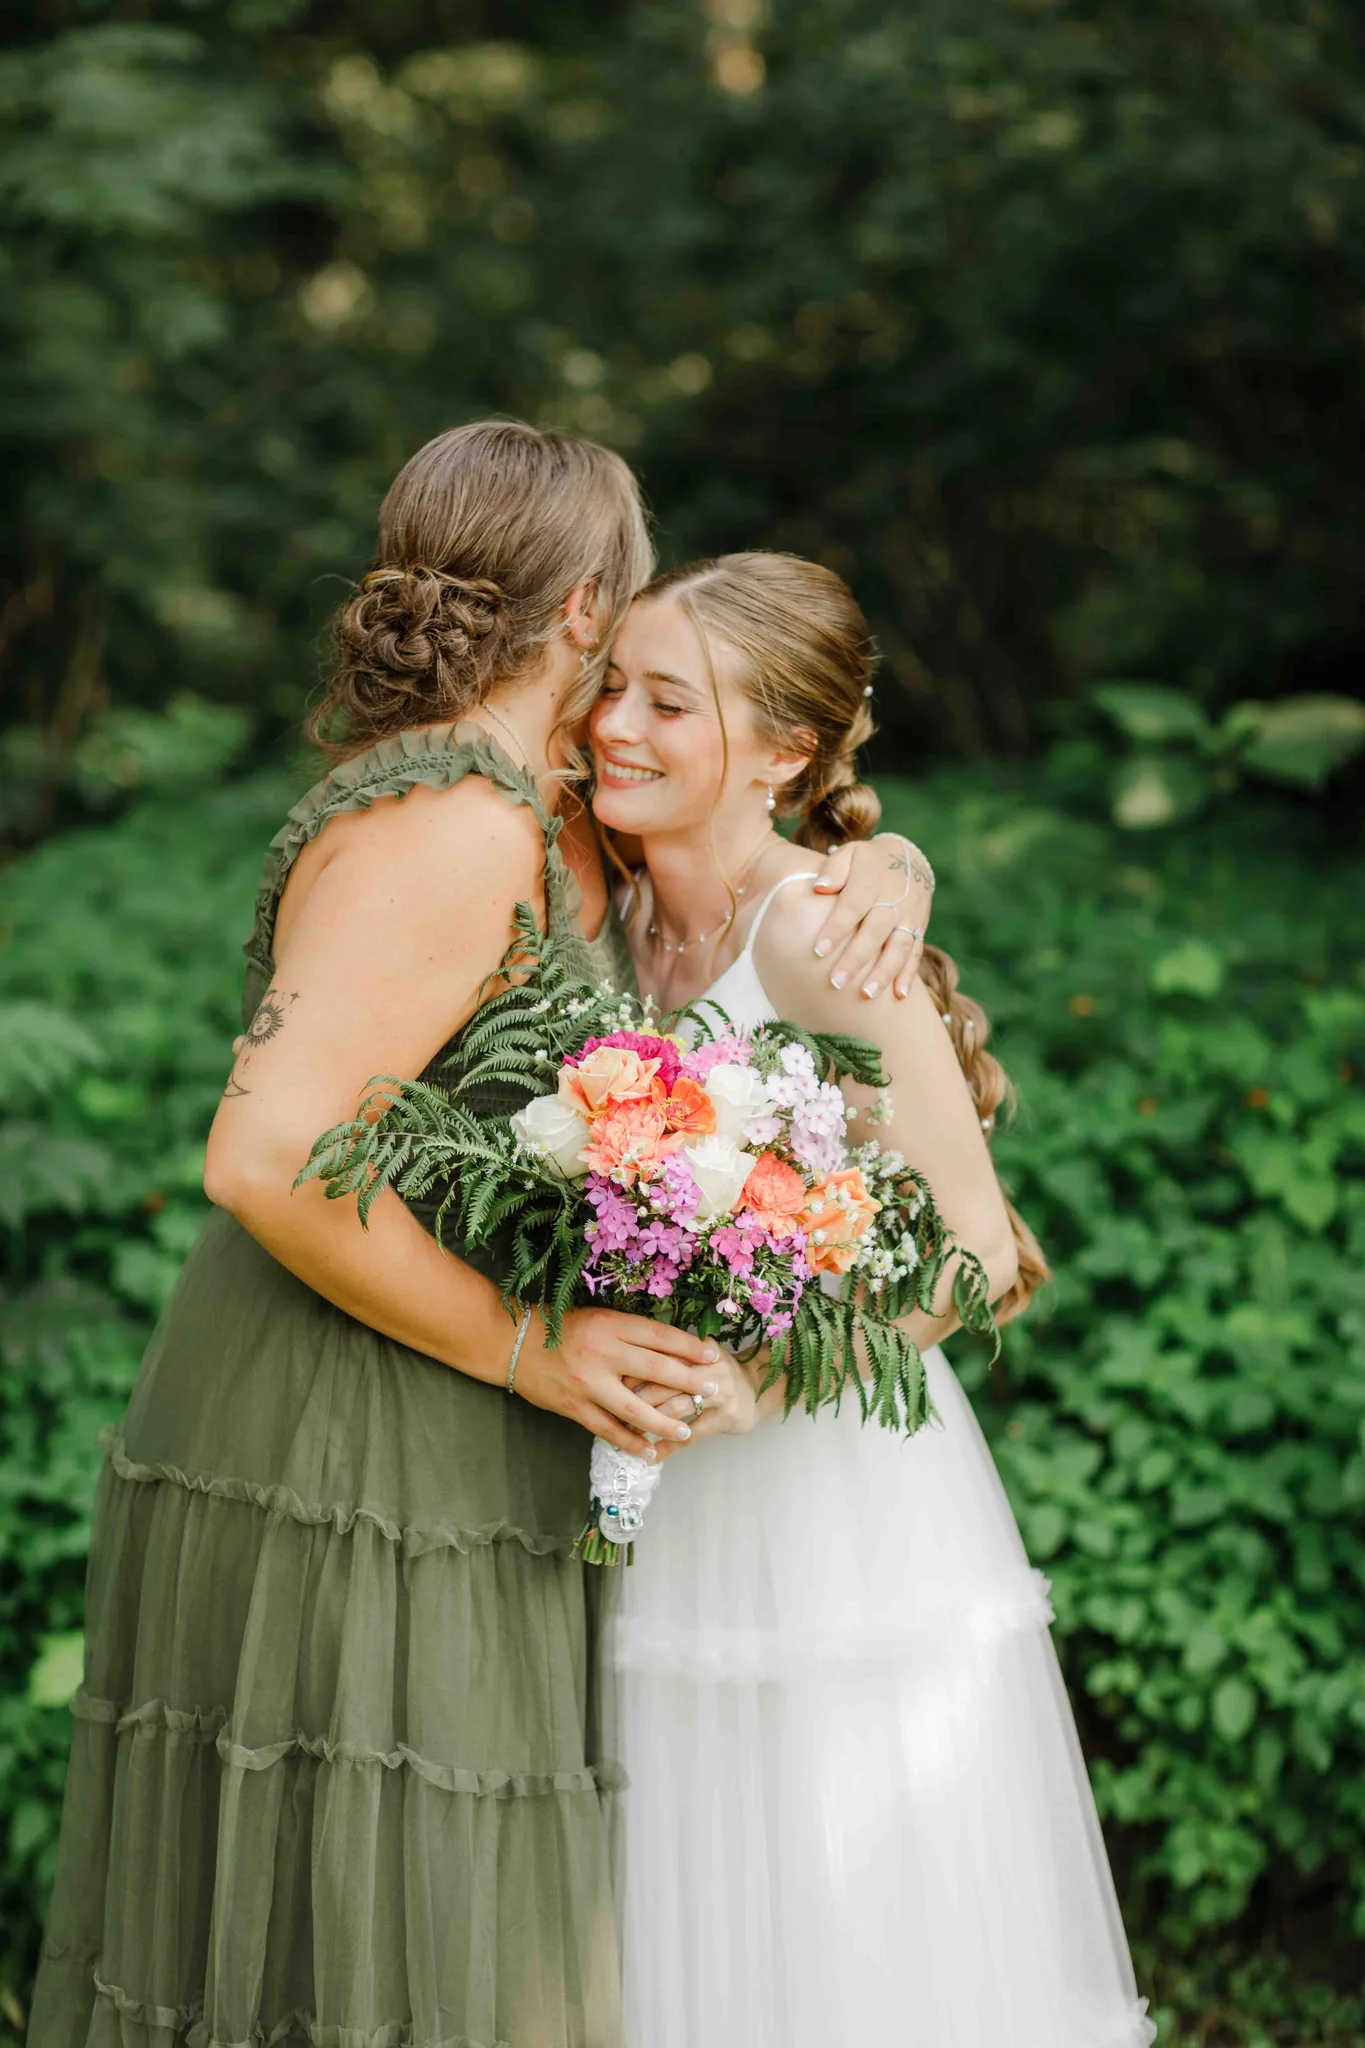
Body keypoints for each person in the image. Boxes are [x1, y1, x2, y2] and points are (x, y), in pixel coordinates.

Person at [27, 426, 925, 2048]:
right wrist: (531, 1343)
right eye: (635, 587)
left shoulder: (555, 801)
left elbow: (749, 849)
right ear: (586, 606)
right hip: (343, 1422)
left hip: (465, 1413)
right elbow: (263, 1156)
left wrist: (889, 865)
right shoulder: (449, 821)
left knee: (457, 1929)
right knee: (380, 1930)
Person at [589, 552, 1156, 2048]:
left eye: (667, 702)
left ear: (783, 755)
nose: (614, 727)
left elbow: (982, 1250)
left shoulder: (822, 936)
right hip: (647, 1468)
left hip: (820, 1476)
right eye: (610, 687)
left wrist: (761, 1381)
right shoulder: (604, 906)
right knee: (679, 1873)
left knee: (844, 1898)